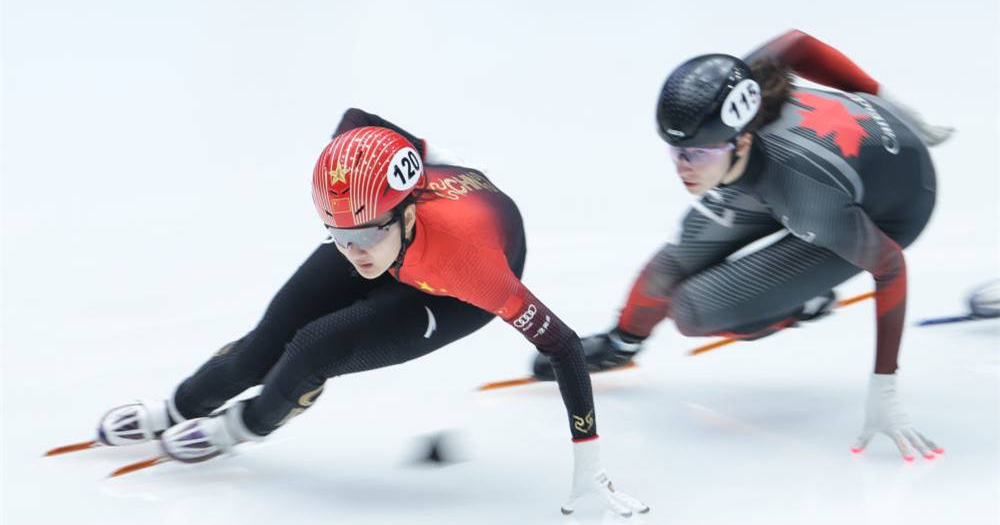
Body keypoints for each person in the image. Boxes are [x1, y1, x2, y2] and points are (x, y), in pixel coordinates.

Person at [95, 110, 647, 516]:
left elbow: (565, 345)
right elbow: (361, 126)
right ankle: (175, 407)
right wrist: (361, 222)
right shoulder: (362, 211)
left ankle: (244, 426)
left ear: (406, 209)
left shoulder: (471, 264)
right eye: (338, 236)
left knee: (315, 346)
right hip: (403, 232)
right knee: (265, 342)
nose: (355, 250)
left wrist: (587, 466)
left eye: (364, 235)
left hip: (446, 291)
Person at [533, 30, 950, 461]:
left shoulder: (806, 198)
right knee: (673, 263)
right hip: (815, 167)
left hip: (885, 207)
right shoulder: (731, 89)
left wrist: (885, 382)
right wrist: (885, 98)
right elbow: (798, 43)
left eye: (697, 154)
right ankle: (623, 345)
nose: (683, 168)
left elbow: (890, 265)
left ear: (742, 140)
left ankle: (800, 303)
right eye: (675, 151)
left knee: (694, 310)